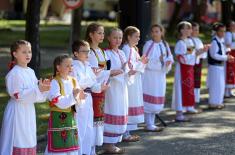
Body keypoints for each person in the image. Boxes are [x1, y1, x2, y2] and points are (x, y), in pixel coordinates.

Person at [0, 40, 50, 154]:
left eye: (29, 51)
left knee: (28, 137)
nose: (28, 54)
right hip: (17, 112)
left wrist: (44, 88)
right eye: (24, 52)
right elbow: (18, 95)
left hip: (28, 111)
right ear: (15, 54)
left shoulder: (30, 71)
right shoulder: (14, 74)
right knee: (19, 138)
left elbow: (36, 94)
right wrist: (38, 89)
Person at [86, 23, 120, 152]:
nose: (102, 36)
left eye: (103, 33)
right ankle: (89, 149)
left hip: (102, 90)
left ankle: (93, 148)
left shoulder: (101, 51)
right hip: (93, 90)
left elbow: (105, 68)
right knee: (93, 120)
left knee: (99, 120)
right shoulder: (89, 52)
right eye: (99, 33)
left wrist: (109, 73)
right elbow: (93, 72)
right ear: (91, 34)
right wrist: (110, 73)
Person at [71, 40, 108, 155]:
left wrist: (100, 87)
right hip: (79, 100)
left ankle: (88, 151)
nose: (88, 54)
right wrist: (91, 79)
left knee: (88, 126)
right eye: (84, 51)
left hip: (88, 99)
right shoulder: (73, 67)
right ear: (76, 53)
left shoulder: (87, 66)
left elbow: (92, 84)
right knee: (80, 127)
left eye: (88, 51)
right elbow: (76, 83)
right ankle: (79, 152)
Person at [45, 55, 85, 155]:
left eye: (71, 65)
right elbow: (59, 102)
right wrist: (74, 96)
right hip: (58, 118)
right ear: (58, 67)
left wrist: (80, 98)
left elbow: (79, 99)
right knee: (59, 145)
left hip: (71, 118)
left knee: (71, 143)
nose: (70, 68)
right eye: (67, 66)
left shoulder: (73, 80)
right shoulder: (54, 82)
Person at [103, 28, 131, 154]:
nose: (118, 40)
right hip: (112, 88)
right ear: (109, 38)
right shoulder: (106, 54)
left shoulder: (121, 53)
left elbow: (125, 68)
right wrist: (116, 73)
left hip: (121, 87)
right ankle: (109, 143)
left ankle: (115, 140)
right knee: (112, 110)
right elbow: (106, 72)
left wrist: (129, 70)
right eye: (115, 37)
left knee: (120, 110)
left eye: (120, 37)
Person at [142, 24, 173, 130]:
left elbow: (169, 57)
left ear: (161, 32)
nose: (155, 34)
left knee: (157, 97)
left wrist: (168, 62)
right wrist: (159, 60)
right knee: (150, 97)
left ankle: (152, 122)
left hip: (160, 76)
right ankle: (149, 123)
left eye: (157, 31)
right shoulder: (148, 44)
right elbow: (145, 61)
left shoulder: (165, 44)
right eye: (153, 31)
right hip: (150, 76)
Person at [122, 26, 148, 141]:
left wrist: (141, 62)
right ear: (128, 37)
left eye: (139, 36)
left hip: (135, 80)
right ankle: (125, 132)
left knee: (132, 103)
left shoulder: (133, 49)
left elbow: (136, 65)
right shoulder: (126, 49)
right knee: (128, 104)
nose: (138, 38)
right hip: (130, 81)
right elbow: (129, 67)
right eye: (136, 36)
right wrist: (140, 63)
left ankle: (128, 131)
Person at [207, 23, 235, 109]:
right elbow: (214, 55)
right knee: (215, 85)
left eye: (224, 31)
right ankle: (213, 102)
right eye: (221, 31)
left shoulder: (220, 41)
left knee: (220, 85)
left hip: (220, 66)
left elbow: (222, 52)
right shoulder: (214, 42)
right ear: (216, 32)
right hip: (214, 66)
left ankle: (218, 101)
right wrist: (226, 57)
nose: (223, 33)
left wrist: (227, 54)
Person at [191, 22, 209, 104]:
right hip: (191, 64)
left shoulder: (198, 40)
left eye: (198, 30)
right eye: (195, 30)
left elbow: (202, 54)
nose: (197, 32)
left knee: (197, 81)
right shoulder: (189, 41)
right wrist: (202, 50)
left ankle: (196, 98)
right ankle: (191, 99)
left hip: (198, 63)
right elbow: (192, 53)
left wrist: (204, 50)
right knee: (191, 81)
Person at [224, 21, 235, 97]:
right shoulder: (227, 34)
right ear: (228, 27)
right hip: (230, 53)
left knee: (233, 72)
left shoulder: (234, 34)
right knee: (229, 71)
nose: (234, 27)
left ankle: (230, 90)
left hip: (234, 53)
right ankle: (226, 91)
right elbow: (228, 44)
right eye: (232, 25)